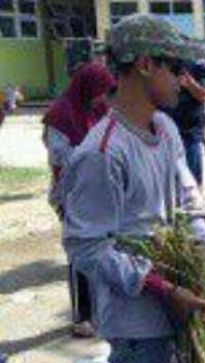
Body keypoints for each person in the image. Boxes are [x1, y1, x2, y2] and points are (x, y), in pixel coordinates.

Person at [61, 14, 205, 363]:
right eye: (177, 68)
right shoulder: (100, 152)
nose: (185, 80)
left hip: (183, 305)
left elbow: (188, 199)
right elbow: (86, 246)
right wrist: (163, 288)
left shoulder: (167, 129)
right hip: (138, 322)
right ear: (146, 64)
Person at [43, 62, 116, 338]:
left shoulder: (100, 109)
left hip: (97, 190)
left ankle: (100, 310)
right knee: (79, 253)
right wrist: (95, 154)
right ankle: (82, 315)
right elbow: (59, 157)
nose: (102, 98)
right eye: (99, 91)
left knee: (103, 248)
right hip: (70, 193)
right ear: (85, 87)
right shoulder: (59, 115)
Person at [164, 60, 205, 186]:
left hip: (190, 135)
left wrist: (189, 83)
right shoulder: (162, 67)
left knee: (192, 183)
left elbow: (204, 95)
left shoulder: (198, 69)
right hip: (163, 135)